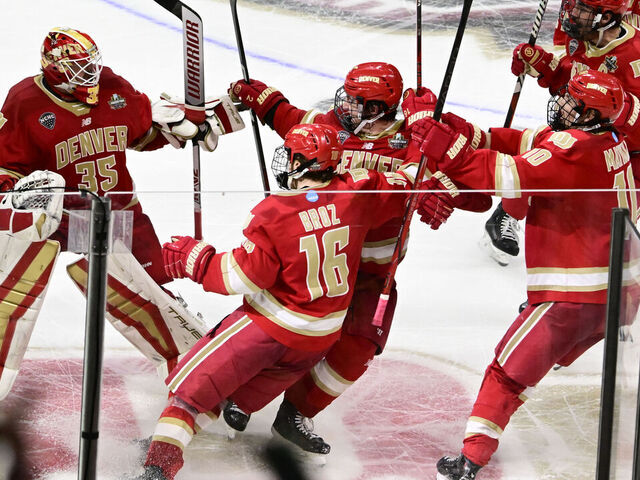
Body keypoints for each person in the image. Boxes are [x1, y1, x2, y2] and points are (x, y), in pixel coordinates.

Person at [134, 123, 459, 480]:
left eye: (289, 154)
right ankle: (198, 427)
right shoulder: (358, 192)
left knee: (188, 394)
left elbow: (242, 277)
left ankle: (157, 468)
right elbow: (405, 181)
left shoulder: (273, 211)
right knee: (224, 393)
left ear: (302, 162)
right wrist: (426, 182)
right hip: (316, 340)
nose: (284, 160)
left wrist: (194, 259)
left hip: (268, 328)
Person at [222, 62, 492, 457]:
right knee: (287, 332)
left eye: (357, 101)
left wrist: (441, 188)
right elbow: (290, 119)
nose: (345, 106)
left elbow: (478, 196)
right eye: (346, 96)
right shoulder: (328, 125)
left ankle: (297, 410)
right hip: (317, 261)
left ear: (381, 108)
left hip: (372, 272)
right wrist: (260, 96)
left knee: (361, 343)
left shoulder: (415, 140)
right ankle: (238, 398)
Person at [411, 70, 637, 479]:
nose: (561, 104)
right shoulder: (612, 140)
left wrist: (443, 146)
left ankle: (470, 459)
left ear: (588, 115)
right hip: (616, 296)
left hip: (572, 296)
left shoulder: (573, 150)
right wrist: (458, 128)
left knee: (506, 373)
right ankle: (553, 353)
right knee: (531, 364)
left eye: (571, 101)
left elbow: (501, 173)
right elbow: (521, 143)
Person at [0, 27, 242, 399]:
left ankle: (198, 380)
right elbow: (7, 168)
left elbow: (142, 135)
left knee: (153, 299)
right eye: (80, 67)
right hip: (56, 217)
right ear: (55, 69)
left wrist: (186, 127)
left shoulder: (112, 85)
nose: (91, 73)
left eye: (91, 64)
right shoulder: (24, 101)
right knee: (9, 295)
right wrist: (16, 193)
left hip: (114, 211)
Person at [483, 0, 640, 267]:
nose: (572, 14)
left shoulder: (633, 58)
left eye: (583, 10)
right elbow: (572, 86)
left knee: (608, 228)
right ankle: (507, 213)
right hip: (585, 130)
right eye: (574, 5)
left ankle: (574, 297)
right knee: (536, 160)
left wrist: (612, 106)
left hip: (624, 148)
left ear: (606, 18)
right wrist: (548, 67)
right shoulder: (581, 35)